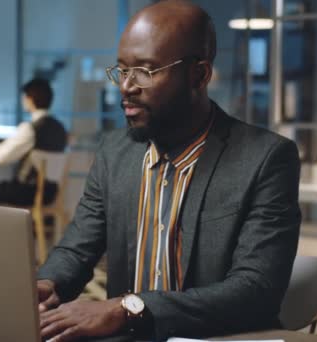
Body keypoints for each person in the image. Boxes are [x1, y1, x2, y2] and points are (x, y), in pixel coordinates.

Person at [37, 1, 301, 341]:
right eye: (122, 70)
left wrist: (126, 308)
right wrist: (48, 284)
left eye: (145, 71)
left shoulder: (266, 158)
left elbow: (255, 290)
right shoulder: (115, 153)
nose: (126, 86)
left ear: (199, 74)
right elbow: (77, 248)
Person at [0, 78, 68, 206]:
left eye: (24, 97)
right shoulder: (61, 128)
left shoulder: (31, 129)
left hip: (28, 191)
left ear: (30, 99)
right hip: (51, 193)